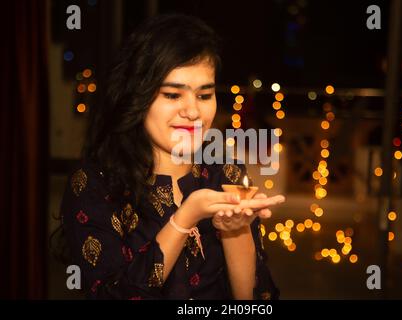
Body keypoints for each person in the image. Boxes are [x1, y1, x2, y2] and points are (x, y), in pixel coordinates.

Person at [60, 13, 285, 300]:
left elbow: (253, 299)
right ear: (138, 96)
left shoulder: (224, 173)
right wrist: (184, 219)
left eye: (204, 96)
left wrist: (236, 232)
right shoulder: (95, 183)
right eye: (172, 95)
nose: (193, 112)